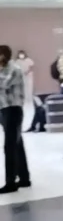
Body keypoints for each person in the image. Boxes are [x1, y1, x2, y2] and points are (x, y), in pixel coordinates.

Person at [0, 45, 31, 193]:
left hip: (13, 109)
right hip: (4, 109)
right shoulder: (3, 69)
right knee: (17, 144)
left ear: (3, 56)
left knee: (10, 146)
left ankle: (10, 182)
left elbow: (3, 83)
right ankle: (24, 178)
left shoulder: (14, 69)